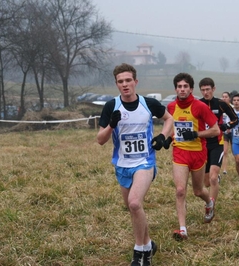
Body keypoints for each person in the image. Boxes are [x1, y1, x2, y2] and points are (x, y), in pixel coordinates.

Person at [96, 63, 174, 266]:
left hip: (144, 162)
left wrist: (163, 136)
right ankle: (148, 243)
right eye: (120, 81)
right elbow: (100, 139)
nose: (125, 84)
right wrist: (112, 124)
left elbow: (169, 119)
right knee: (133, 208)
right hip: (122, 165)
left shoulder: (148, 103)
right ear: (116, 84)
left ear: (135, 82)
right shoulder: (111, 106)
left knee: (134, 202)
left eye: (128, 80)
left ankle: (141, 253)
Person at [167, 73, 220, 241]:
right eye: (179, 86)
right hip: (180, 152)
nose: (182, 89)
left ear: (190, 89)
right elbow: (170, 127)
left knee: (198, 191)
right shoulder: (170, 107)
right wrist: (166, 139)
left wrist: (196, 133)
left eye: (185, 86)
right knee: (181, 190)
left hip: (198, 153)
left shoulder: (200, 107)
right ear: (175, 88)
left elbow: (216, 130)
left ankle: (209, 203)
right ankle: (183, 230)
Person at [198, 78, 238, 215]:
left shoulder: (221, 104)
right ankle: (215, 181)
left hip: (218, 143)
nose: (205, 92)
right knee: (207, 182)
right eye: (203, 90)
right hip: (203, 144)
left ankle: (211, 207)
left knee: (213, 178)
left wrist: (226, 126)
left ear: (213, 89)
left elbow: (235, 119)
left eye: (207, 89)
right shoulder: (198, 104)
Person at [221, 91, 233, 175]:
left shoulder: (232, 107)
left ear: (229, 98)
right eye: (223, 97)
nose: (224, 98)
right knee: (225, 151)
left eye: (226, 97)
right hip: (224, 133)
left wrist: (230, 126)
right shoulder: (220, 107)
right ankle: (224, 169)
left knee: (235, 152)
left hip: (233, 133)